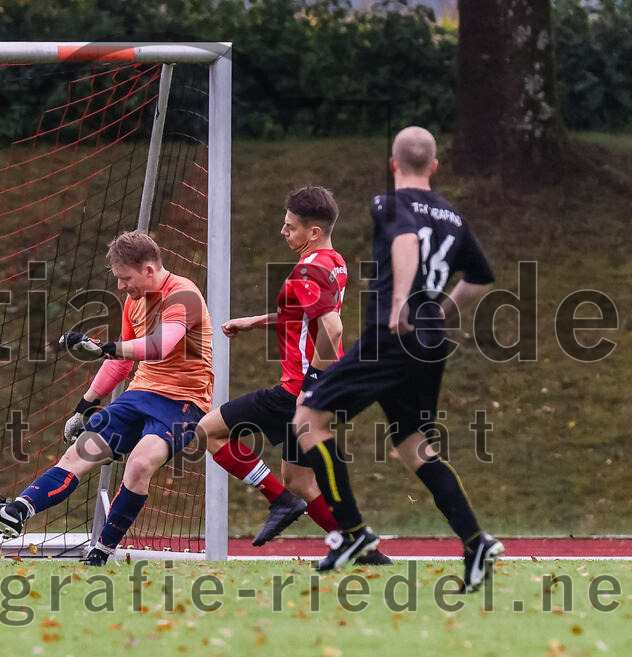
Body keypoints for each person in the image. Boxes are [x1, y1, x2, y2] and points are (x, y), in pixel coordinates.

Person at [292, 127, 503, 592]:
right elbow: (480, 277)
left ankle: (351, 533)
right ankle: (476, 542)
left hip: (394, 335)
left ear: (393, 164)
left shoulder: (389, 203)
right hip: (429, 342)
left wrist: (402, 303)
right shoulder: (452, 217)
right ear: (434, 166)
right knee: (413, 446)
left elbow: (406, 242)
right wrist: (438, 311)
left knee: (308, 418)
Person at [0, 230, 213, 566]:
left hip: (183, 402)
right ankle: (17, 511)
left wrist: (103, 347)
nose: (121, 287)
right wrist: (84, 406)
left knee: (140, 464)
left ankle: (102, 551)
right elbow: (123, 362)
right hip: (139, 395)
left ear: (148, 269)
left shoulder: (183, 295)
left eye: (125, 278)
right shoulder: (133, 303)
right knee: (78, 453)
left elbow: (160, 346)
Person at [187, 186, 390, 564]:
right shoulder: (334, 261)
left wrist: (308, 387)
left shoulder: (308, 269)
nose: (284, 232)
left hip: (298, 389)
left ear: (313, 231)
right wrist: (255, 323)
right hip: (327, 386)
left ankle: (280, 502)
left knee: (206, 433)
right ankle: (361, 549)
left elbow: (332, 330)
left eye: (290, 226)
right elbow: (304, 316)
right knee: (301, 479)